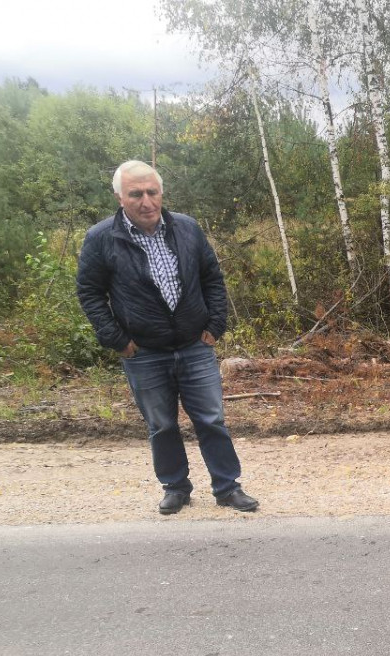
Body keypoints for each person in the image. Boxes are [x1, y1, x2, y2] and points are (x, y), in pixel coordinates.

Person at [76, 160, 258, 515]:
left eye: (151, 192)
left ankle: (227, 487)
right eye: (135, 194)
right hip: (143, 352)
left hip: (194, 346)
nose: (146, 201)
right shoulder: (101, 238)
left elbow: (212, 278)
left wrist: (216, 324)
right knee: (161, 425)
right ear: (119, 197)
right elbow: (90, 293)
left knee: (211, 420)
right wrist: (117, 339)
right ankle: (175, 488)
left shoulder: (187, 228)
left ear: (161, 192)